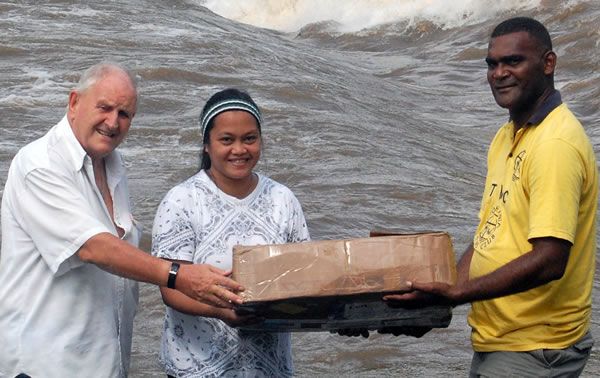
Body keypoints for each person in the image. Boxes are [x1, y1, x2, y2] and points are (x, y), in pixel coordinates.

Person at [0, 63, 244, 378]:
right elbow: (93, 247)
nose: (113, 122)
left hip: (101, 364)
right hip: (43, 365)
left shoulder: (112, 165)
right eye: (104, 108)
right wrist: (178, 275)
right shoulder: (39, 165)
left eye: (124, 114)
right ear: (74, 102)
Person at [385, 17, 597, 377]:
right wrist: (444, 296)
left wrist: (458, 295)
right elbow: (490, 232)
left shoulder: (555, 144)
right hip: (499, 338)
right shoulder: (507, 136)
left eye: (513, 61)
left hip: (536, 346)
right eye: (492, 63)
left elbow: (550, 259)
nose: (499, 73)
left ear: (548, 63)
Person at [151, 88, 310, 377]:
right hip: (196, 367)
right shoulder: (182, 200)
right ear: (206, 145)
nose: (239, 150)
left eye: (249, 138)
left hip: (269, 367)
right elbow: (170, 289)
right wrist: (221, 312)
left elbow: (306, 274)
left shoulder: (283, 199)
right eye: (227, 140)